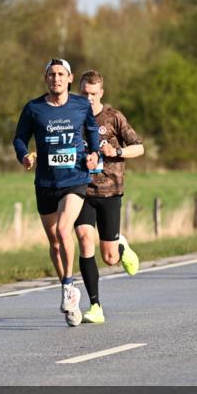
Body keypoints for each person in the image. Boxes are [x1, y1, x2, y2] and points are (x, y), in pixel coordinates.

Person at [14, 58, 100, 326]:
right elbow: (19, 138)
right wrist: (24, 156)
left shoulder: (81, 105)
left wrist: (94, 153)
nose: (56, 79)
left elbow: (92, 130)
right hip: (46, 182)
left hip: (75, 178)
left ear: (70, 78)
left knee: (64, 230)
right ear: (46, 79)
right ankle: (68, 288)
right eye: (51, 75)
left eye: (61, 74)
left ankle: (68, 286)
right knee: (54, 241)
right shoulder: (34, 108)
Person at [73, 70, 144, 323]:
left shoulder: (113, 117)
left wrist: (117, 151)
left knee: (110, 257)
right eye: (84, 93)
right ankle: (95, 306)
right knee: (84, 239)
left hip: (110, 191)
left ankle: (120, 245)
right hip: (80, 189)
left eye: (93, 93)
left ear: (101, 93)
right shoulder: (72, 117)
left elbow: (139, 147)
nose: (89, 98)